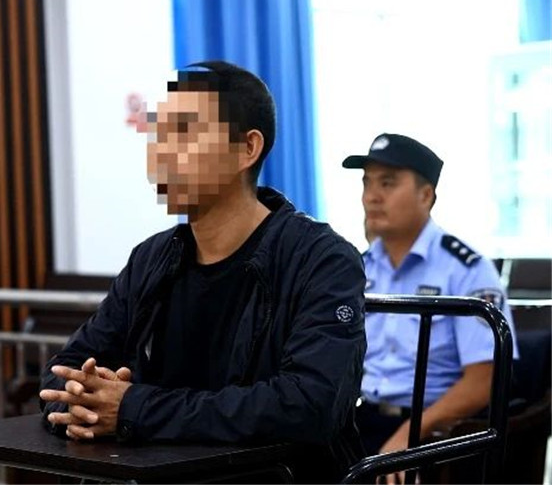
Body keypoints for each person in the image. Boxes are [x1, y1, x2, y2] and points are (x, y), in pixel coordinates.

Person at [40, 61, 366, 481]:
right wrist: (84, 401)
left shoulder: (321, 259)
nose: (162, 152)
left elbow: (309, 404)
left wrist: (133, 408)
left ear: (247, 148)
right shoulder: (152, 258)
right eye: (158, 135)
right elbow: (65, 367)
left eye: (184, 132)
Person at [341, 133, 518, 478]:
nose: (371, 196)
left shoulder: (466, 269)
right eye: (367, 183)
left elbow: (486, 379)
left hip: (435, 432)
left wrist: (408, 436)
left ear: (426, 195)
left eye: (387, 183)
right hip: (358, 421)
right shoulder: (358, 268)